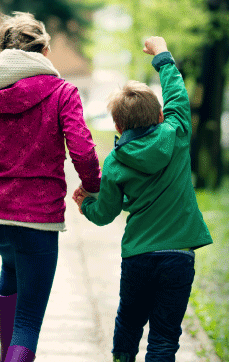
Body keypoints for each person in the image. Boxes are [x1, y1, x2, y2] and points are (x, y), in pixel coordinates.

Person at [0, 12, 101, 362]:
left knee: (12, 268)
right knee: (28, 322)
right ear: (44, 50)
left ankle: (6, 355)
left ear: (0, 51)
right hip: (38, 220)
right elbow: (83, 150)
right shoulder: (63, 92)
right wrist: (92, 188)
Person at [73, 37, 213, 362]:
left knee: (129, 323)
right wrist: (162, 55)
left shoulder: (115, 162)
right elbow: (177, 93)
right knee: (165, 337)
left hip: (138, 257)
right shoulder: (176, 134)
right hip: (178, 257)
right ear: (161, 114)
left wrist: (85, 205)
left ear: (117, 125)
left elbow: (105, 213)